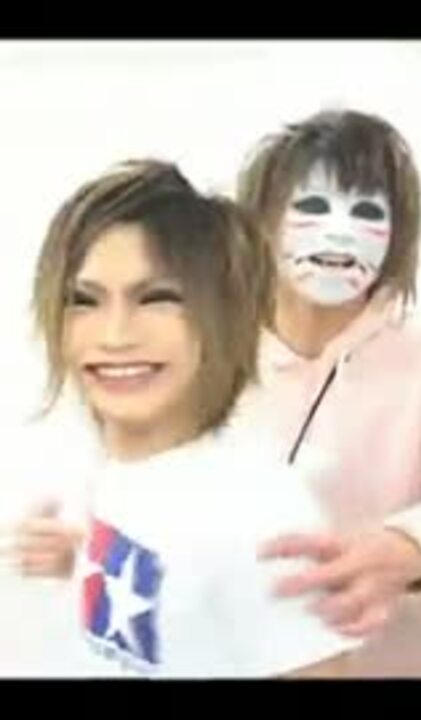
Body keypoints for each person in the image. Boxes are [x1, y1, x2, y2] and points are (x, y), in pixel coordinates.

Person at [9, 159, 358, 677]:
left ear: (222, 316)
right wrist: (73, 568)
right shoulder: (95, 473)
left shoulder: (262, 509)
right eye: (84, 301)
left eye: (157, 299)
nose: (115, 335)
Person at [233, 109, 421, 676]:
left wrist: (406, 550)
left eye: (367, 212)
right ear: (260, 221)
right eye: (313, 207)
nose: (338, 233)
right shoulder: (204, 358)